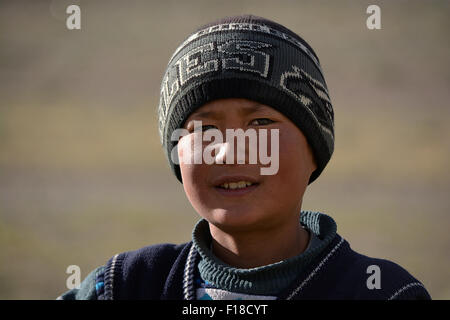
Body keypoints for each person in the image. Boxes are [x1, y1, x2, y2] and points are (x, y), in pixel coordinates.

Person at [58, 14, 430, 300]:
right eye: (204, 130)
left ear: (314, 151)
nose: (230, 149)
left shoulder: (379, 292)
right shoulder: (127, 285)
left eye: (261, 122)